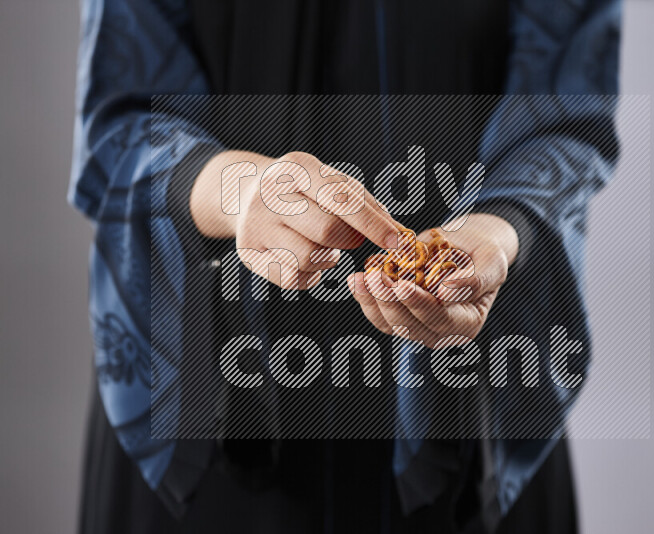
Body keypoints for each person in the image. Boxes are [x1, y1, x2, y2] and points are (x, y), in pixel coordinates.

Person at [69, 0, 621, 532]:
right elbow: (121, 118)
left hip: (465, 406)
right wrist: (241, 191)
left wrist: (499, 234)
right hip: (209, 412)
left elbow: (568, 104)